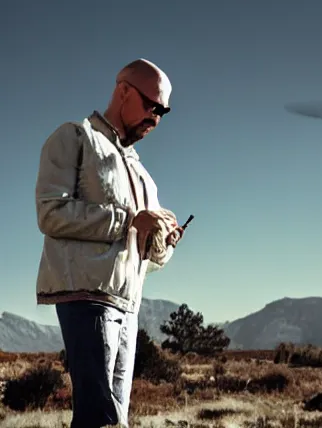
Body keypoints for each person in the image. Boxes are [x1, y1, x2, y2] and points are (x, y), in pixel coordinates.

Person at [35, 58, 184, 428]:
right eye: (152, 105)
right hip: (86, 298)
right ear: (123, 91)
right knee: (101, 418)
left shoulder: (142, 176)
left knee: (113, 419)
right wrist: (129, 221)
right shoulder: (75, 138)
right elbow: (50, 213)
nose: (156, 117)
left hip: (128, 305)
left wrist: (162, 242)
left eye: (163, 111)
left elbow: (147, 257)